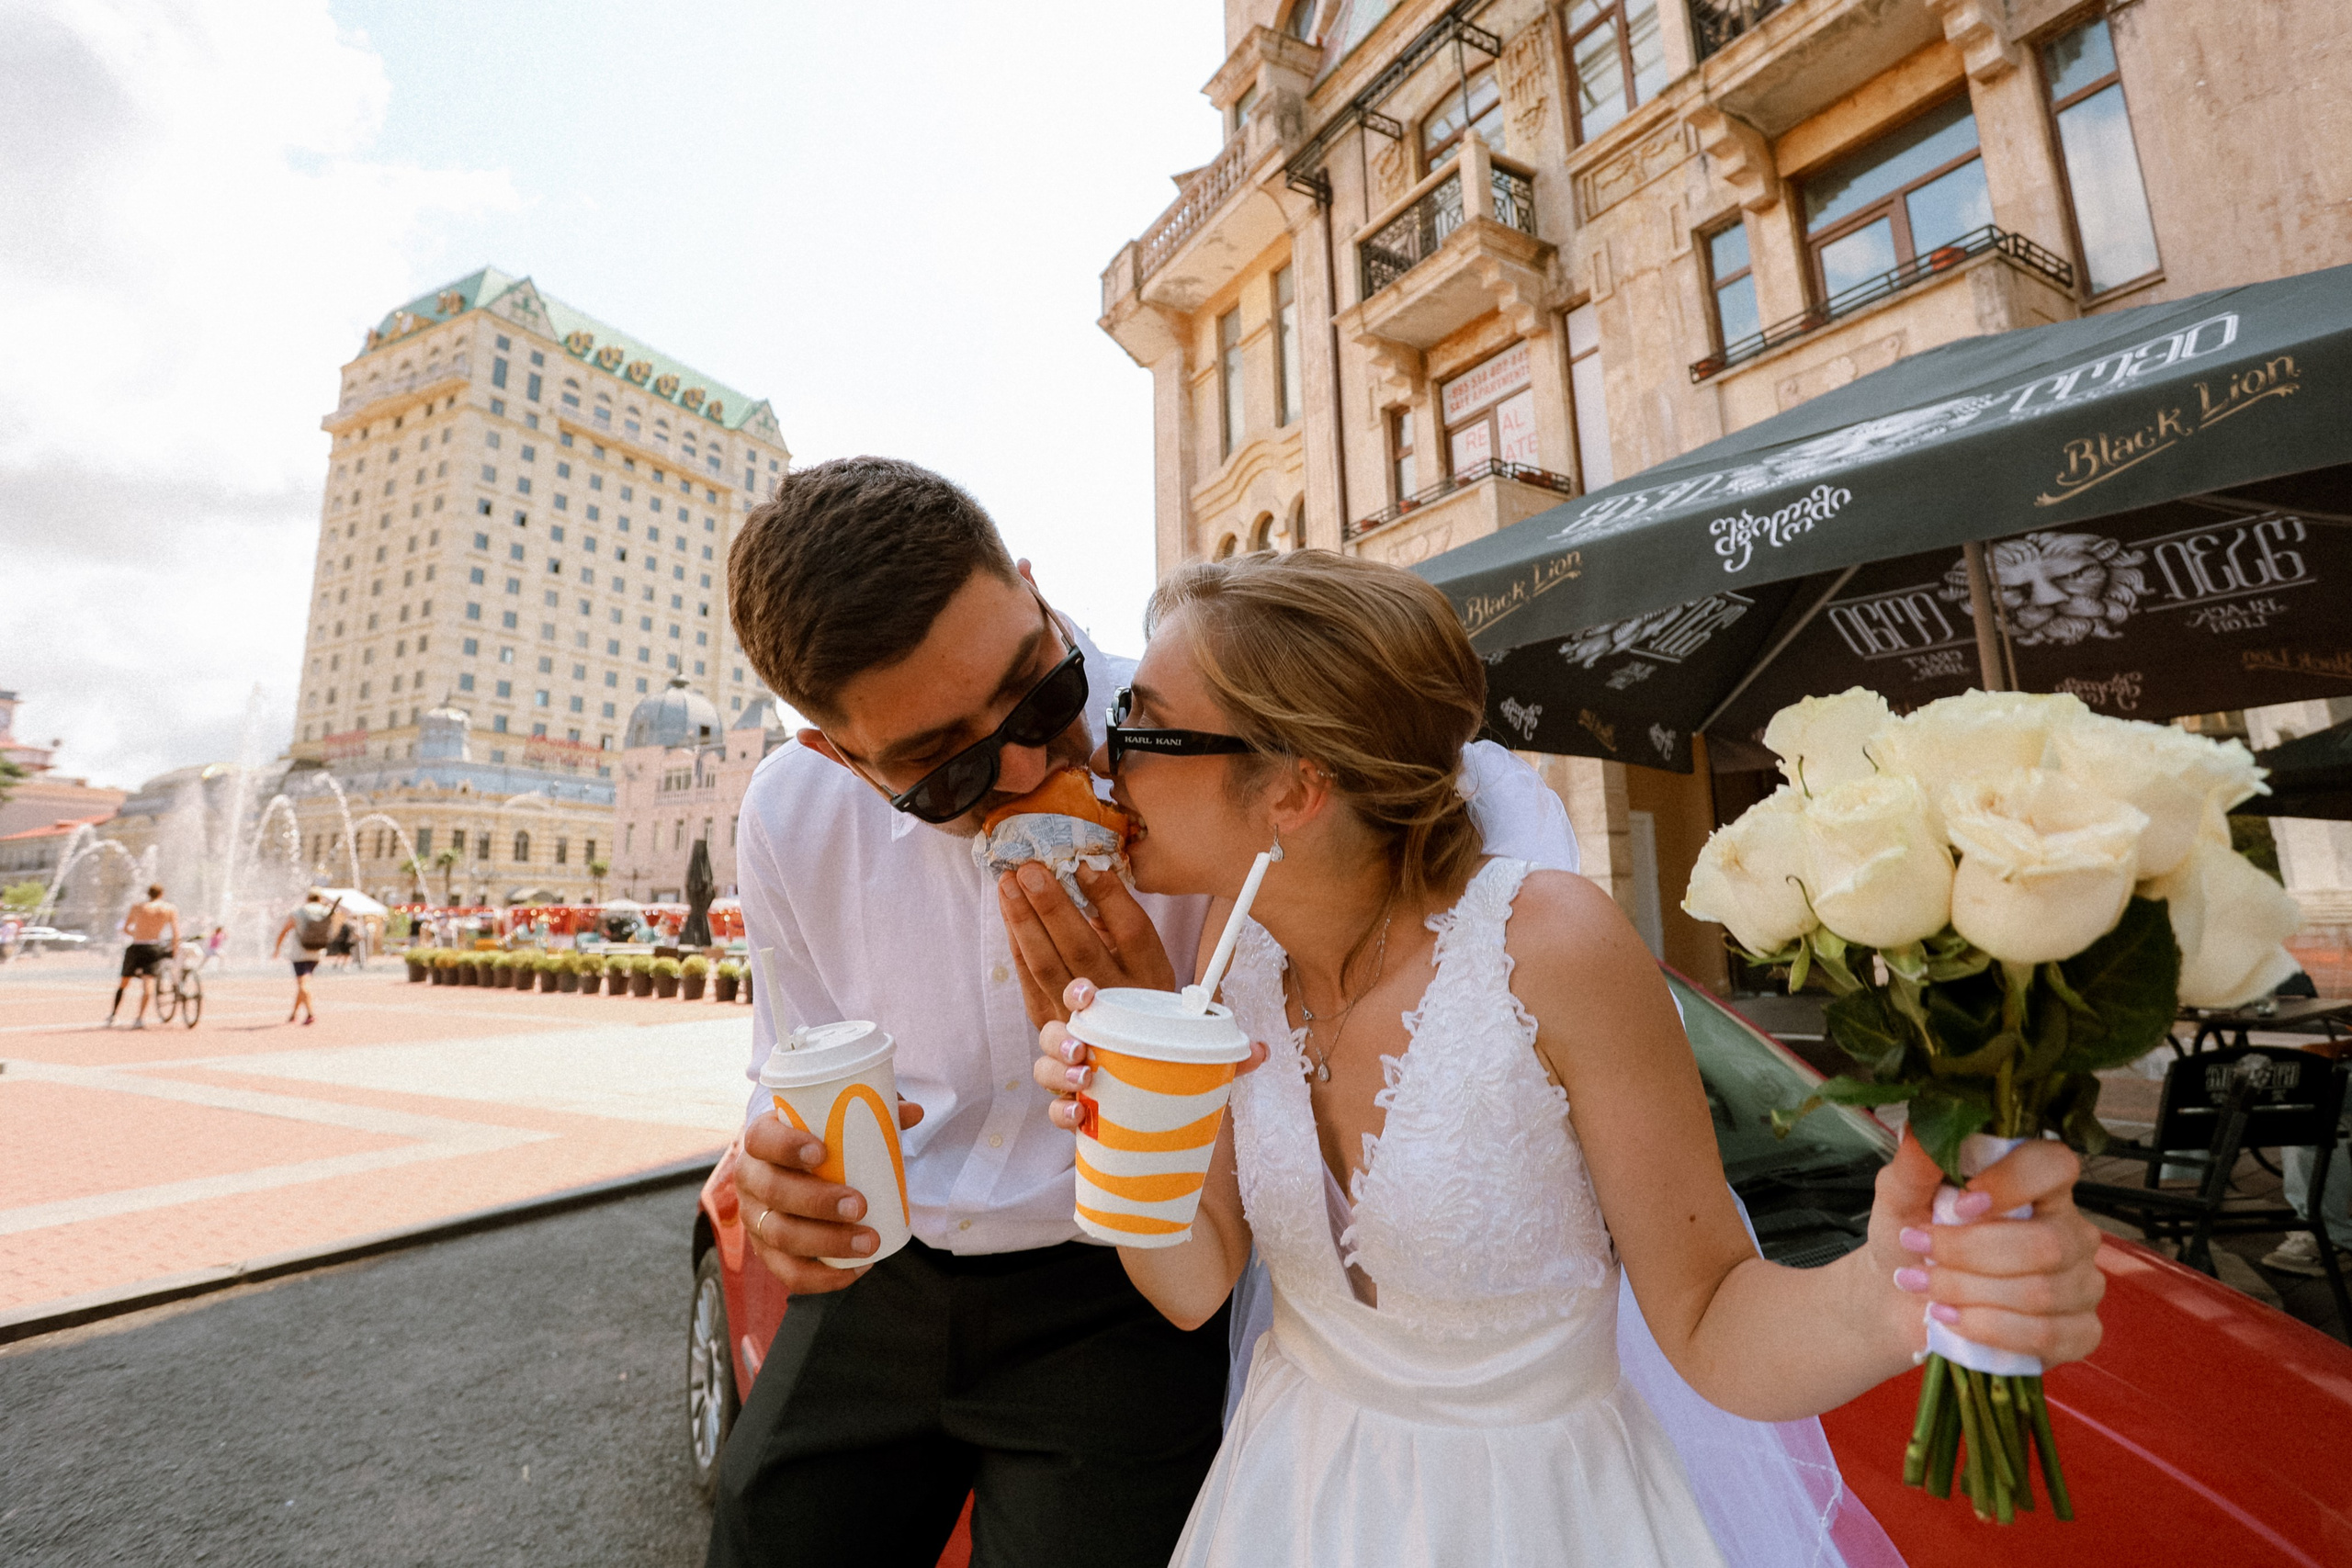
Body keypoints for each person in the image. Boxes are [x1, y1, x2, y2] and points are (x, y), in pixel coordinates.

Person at [1030, 551, 2107, 1568]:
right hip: (1292, 1498)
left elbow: (1709, 1318)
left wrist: (1888, 1295)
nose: (1103, 759)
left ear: (1292, 792)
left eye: (1141, 726)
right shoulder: (1233, 962)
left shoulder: (1550, 947)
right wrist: (1115, 1127)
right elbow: (1194, 1287)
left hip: (1539, 1514)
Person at [709, 458, 1577, 1568]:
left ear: (1032, 591)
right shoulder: (789, 816)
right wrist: (778, 1171)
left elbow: (1435, 853)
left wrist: (1154, 1052)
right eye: (945, 771)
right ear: (838, 756)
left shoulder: (1197, 742)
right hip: (888, 1276)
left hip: (1120, 1296)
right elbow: (789, 1059)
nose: (1030, 763)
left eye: (1041, 693)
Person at [108, 884, 179, 1029]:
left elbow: (126, 928)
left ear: (148, 893)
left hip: (137, 946)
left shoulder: (138, 907)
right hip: (153, 948)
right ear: (161, 894)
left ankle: (113, 1015)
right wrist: (175, 949)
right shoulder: (169, 908)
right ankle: (139, 1018)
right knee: (148, 984)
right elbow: (175, 933)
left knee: (124, 982)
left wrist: (137, 934)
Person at [271, 890, 343, 1025]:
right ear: (320, 898)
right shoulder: (327, 911)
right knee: (304, 982)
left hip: (300, 953)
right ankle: (293, 1014)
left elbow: (284, 930)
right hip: (317, 952)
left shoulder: (299, 912)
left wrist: (277, 949)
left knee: (303, 984)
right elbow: (334, 931)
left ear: (307, 898)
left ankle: (310, 1014)